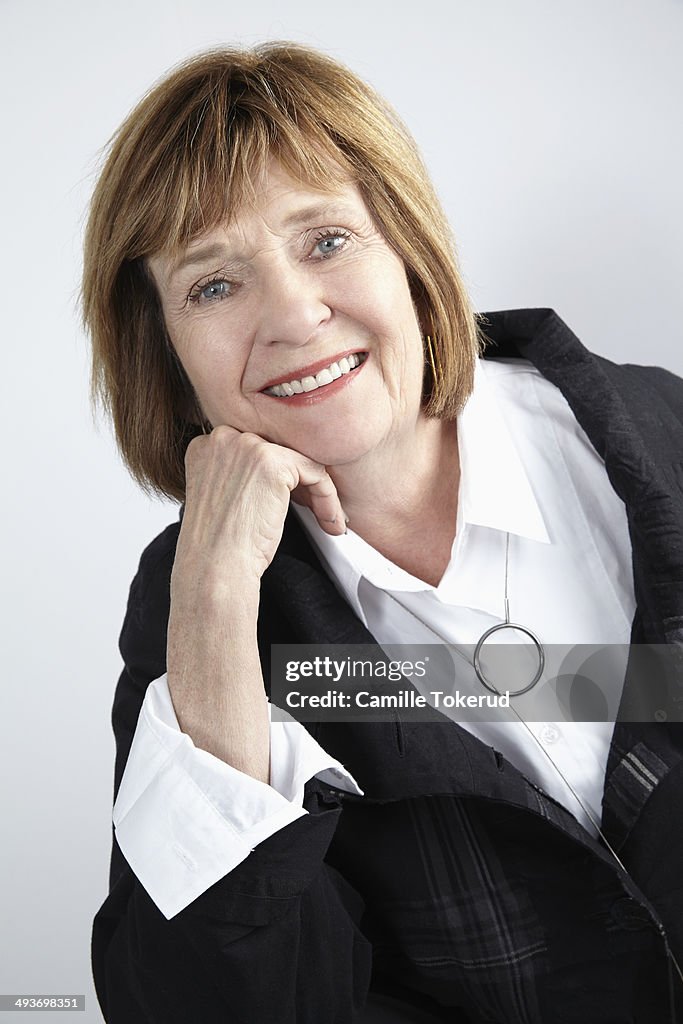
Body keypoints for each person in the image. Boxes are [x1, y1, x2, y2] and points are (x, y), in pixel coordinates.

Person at [83, 43, 683, 1023]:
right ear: (164, 349)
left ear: (406, 244)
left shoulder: (655, 433)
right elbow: (204, 1003)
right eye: (212, 285)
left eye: (323, 240)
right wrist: (218, 605)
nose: (292, 314)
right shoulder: (189, 605)